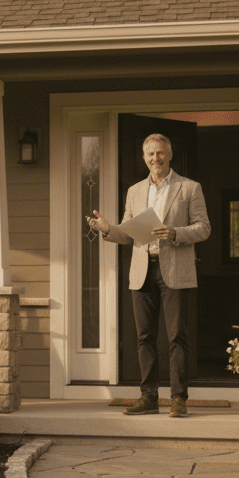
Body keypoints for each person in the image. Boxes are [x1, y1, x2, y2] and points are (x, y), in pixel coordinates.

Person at [86, 133, 210, 417]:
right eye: (151, 154)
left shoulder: (189, 188)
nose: (156, 158)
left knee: (177, 336)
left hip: (175, 271)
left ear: (170, 155)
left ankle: (178, 399)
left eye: (161, 153)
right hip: (142, 271)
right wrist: (106, 228)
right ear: (144, 158)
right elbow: (128, 235)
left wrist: (176, 233)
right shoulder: (134, 191)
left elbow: (204, 227)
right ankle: (149, 397)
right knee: (145, 337)